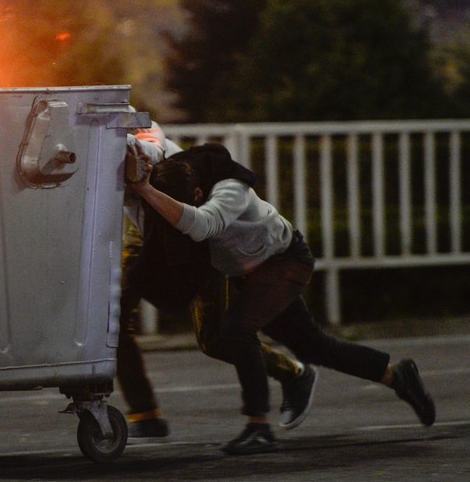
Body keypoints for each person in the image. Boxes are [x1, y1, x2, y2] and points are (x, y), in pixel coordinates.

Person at [128, 142, 436, 454]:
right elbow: (147, 150)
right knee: (312, 345)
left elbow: (201, 225)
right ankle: (396, 376)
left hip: (283, 262)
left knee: (237, 330)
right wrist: (139, 174)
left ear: (196, 194)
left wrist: (147, 192)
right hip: (248, 274)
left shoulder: (230, 189)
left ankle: (258, 425)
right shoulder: (175, 177)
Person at [120, 129, 317, 443]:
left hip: (179, 224)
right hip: (145, 226)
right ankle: (144, 413)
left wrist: (141, 154)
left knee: (214, 338)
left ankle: (292, 373)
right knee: (111, 318)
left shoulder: (122, 122)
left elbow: (151, 141)